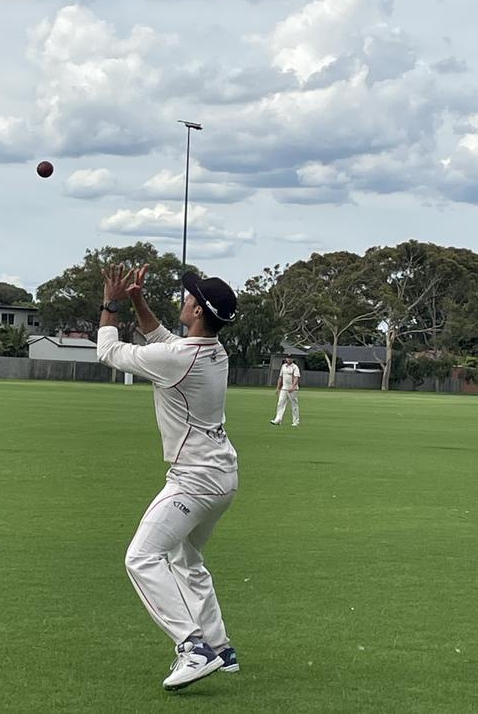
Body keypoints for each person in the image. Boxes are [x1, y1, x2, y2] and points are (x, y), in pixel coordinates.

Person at [96, 263, 239, 692]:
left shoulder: (179, 359)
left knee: (140, 558)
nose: (185, 298)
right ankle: (220, 646)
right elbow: (162, 339)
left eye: (189, 295)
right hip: (223, 478)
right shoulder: (213, 350)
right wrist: (138, 300)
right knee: (186, 560)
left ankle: (193, 647)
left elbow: (108, 352)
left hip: (193, 481)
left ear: (196, 310)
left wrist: (111, 304)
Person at [271, 354, 300, 427]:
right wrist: (278, 388)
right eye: (288, 358)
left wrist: (293, 387)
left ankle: (295, 421)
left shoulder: (295, 367)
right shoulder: (283, 366)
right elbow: (280, 377)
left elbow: (296, 378)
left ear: (292, 359)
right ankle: (278, 420)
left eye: (290, 358)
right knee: (280, 403)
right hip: (284, 388)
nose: (289, 359)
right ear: (286, 359)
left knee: (294, 405)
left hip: (292, 389)